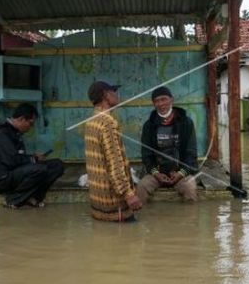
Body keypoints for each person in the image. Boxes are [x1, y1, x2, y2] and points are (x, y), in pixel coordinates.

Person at [0, 103, 64, 209]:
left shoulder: (14, 132)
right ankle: (13, 200)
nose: (31, 127)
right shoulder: (2, 133)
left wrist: (33, 158)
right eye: (30, 123)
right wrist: (33, 159)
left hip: (12, 172)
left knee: (57, 165)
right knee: (40, 169)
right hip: (2, 178)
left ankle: (32, 198)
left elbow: (17, 158)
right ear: (21, 119)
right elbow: (12, 161)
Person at [84, 80, 142, 222]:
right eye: (114, 91)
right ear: (106, 95)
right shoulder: (108, 123)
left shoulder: (91, 121)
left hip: (97, 203)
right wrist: (129, 194)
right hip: (115, 204)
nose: (117, 95)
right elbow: (115, 164)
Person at [136, 85, 198, 203]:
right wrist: (156, 173)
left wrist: (181, 173)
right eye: (157, 101)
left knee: (189, 189)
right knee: (141, 187)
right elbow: (146, 155)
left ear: (171, 100)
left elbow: (192, 153)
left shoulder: (186, 123)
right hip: (157, 174)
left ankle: (190, 220)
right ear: (153, 104)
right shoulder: (149, 126)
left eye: (164, 99)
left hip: (180, 173)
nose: (161, 104)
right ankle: (143, 220)